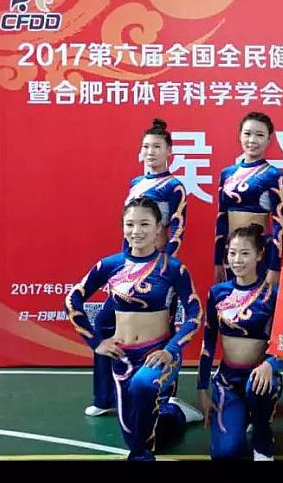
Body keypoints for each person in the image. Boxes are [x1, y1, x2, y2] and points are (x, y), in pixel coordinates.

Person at [65, 197, 203, 461]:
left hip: (159, 355)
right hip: (122, 358)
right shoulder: (109, 265)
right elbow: (73, 300)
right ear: (122, 227)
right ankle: (176, 413)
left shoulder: (173, 268)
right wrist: (96, 343)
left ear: (158, 227)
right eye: (130, 224)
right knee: (139, 435)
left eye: (144, 224)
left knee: (142, 389)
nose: (136, 231)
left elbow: (195, 314)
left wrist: (171, 350)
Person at [85, 119, 197, 420]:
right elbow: (130, 229)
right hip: (128, 272)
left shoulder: (174, 186)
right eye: (146, 146)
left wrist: (163, 264)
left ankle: (168, 397)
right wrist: (124, 267)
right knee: (104, 324)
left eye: (157, 147)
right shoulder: (136, 183)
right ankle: (105, 396)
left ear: (169, 152)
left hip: (158, 273)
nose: (150, 152)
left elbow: (178, 227)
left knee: (165, 330)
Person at [198, 224, 283, 460]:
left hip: (261, 377)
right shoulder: (217, 292)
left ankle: (262, 435)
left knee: (257, 388)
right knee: (226, 453)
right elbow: (208, 342)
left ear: (259, 255)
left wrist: (271, 364)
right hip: (227, 381)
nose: (237, 260)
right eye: (232, 253)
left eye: (245, 253)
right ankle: (241, 416)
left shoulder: (273, 294)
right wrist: (202, 388)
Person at [214, 111, 283, 286]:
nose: (252, 140)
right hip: (232, 251)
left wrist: (275, 266)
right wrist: (217, 260)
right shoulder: (227, 174)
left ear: (269, 139)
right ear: (240, 136)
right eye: (247, 134)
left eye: (259, 135)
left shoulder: (273, 175)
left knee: (259, 299)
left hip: (259, 250)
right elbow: (221, 218)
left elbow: (279, 224)